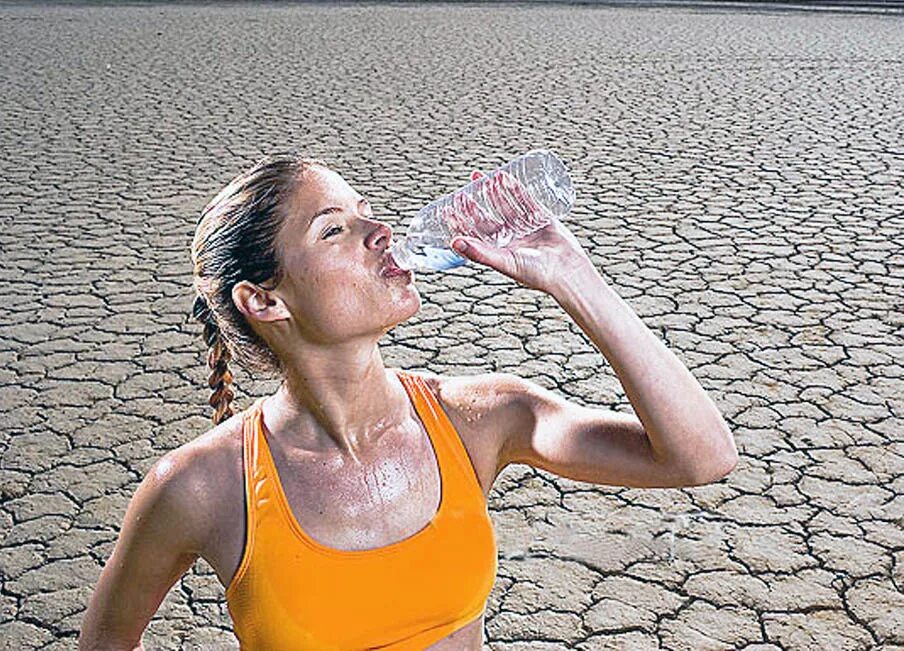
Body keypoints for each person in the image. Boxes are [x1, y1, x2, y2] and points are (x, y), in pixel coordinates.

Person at [79, 154, 738, 650]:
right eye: (335, 229)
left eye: (366, 210)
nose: (381, 230)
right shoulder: (201, 486)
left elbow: (700, 456)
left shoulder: (479, 418)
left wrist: (574, 278)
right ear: (265, 300)